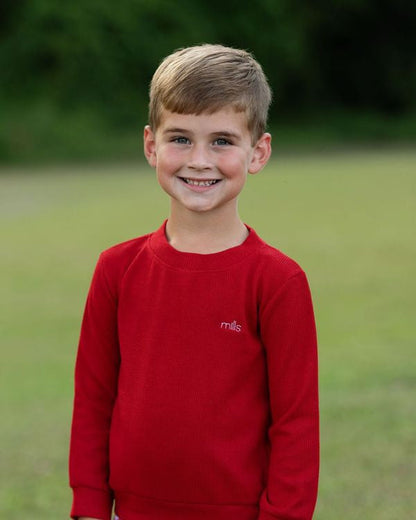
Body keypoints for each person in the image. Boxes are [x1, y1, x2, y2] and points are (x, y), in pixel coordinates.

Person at [69, 44, 319, 520]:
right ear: (150, 146)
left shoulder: (278, 281)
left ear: (258, 152)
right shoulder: (116, 270)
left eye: (222, 141)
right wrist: (89, 505)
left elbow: (296, 423)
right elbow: (94, 401)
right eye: (180, 138)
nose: (199, 160)